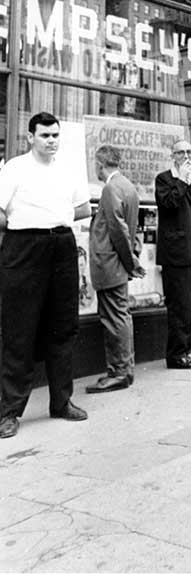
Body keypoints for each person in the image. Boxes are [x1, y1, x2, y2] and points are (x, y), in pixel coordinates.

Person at [0, 112, 91, 439]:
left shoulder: (68, 169)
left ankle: (61, 402)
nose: (51, 141)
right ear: (30, 137)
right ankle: (9, 411)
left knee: (62, 327)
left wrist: (56, 218)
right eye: (45, 136)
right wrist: (24, 224)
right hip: (24, 247)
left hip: (62, 247)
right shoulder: (15, 168)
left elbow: (84, 209)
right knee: (19, 329)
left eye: (55, 135)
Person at [86, 145, 145, 393]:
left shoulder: (110, 188)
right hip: (118, 264)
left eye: (95, 165)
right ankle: (123, 370)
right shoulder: (128, 187)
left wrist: (131, 261)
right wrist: (131, 261)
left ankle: (119, 372)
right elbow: (127, 229)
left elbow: (118, 231)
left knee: (114, 319)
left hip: (110, 265)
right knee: (120, 316)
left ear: (100, 165)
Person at [155, 139, 191, 369]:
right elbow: (169, 204)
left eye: (189, 152)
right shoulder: (165, 179)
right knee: (179, 307)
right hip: (176, 255)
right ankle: (176, 355)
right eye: (181, 153)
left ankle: (187, 350)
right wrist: (181, 180)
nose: (186, 157)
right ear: (172, 156)